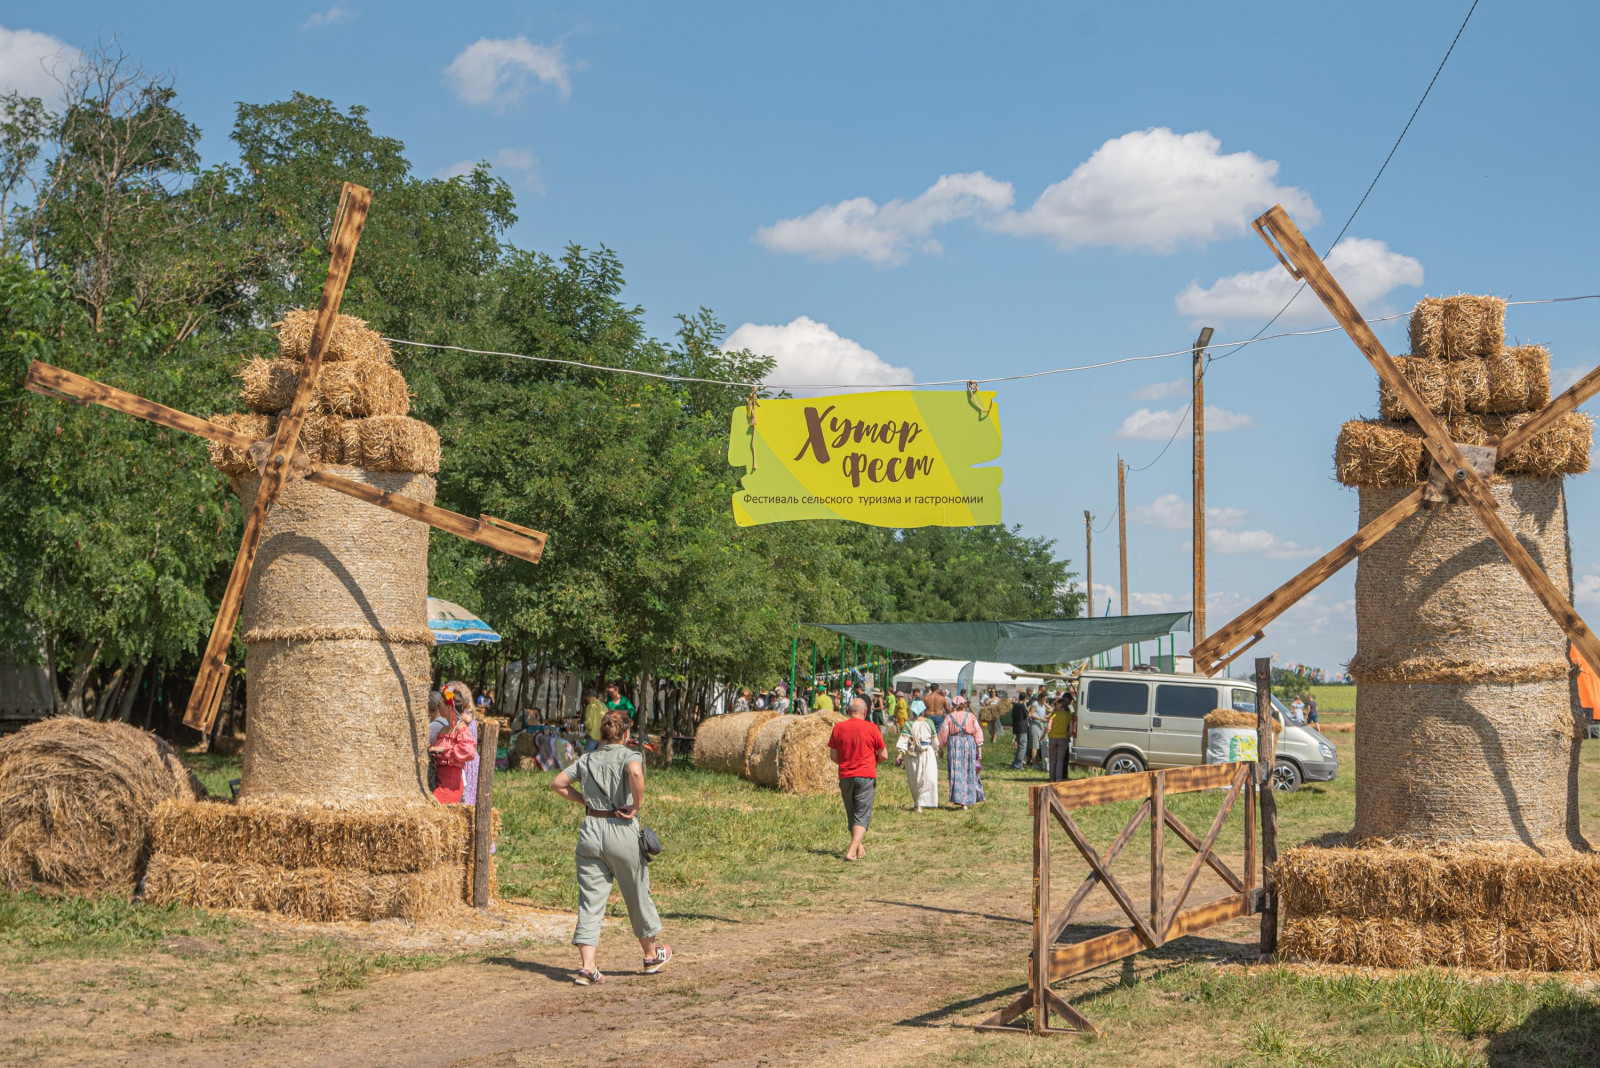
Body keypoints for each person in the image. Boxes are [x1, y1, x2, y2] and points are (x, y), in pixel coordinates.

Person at [551, 711, 672, 985]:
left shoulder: (588, 758)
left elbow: (558, 784)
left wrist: (586, 801)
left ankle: (587, 967)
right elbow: (635, 773)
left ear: (601, 735)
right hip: (621, 828)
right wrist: (636, 805)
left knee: (590, 901)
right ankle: (651, 956)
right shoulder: (630, 755)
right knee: (637, 893)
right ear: (627, 734)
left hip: (591, 830)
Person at [827, 696, 887, 861]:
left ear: (848, 711)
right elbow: (884, 755)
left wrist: (848, 762)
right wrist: (872, 761)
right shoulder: (872, 727)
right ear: (865, 711)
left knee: (852, 813)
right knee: (862, 814)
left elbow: (833, 756)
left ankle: (860, 849)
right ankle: (851, 851)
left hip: (845, 775)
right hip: (866, 775)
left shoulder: (839, 727)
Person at [939, 694, 985, 810]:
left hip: (955, 743)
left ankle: (960, 799)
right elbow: (978, 731)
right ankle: (968, 799)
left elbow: (943, 733)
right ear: (964, 705)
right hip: (969, 743)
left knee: (957, 770)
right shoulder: (971, 716)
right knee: (969, 769)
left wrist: (941, 748)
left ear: (954, 705)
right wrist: (979, 749)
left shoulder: (949, 717)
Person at [429, 696, 477, 803]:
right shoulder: (444, 729)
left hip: (450, 783)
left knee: (435, 806)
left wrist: (444, 750)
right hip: (438, 779)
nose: (437, 708)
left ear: (449, 707)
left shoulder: (460, 729)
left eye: (439, 705)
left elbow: (469, 752)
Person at [895, 698, 938, 811]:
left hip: (921, 753)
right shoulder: (912, 724)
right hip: (919, 753)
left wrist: (900, 754)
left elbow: (903, 742)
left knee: (922, 778)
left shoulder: (916, 723)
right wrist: (937, 750)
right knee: (922, 778)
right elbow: (935, 741)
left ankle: (920, 803)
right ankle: (919, 803)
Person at [1047, 692, 1075, 782]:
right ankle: (1059, 778)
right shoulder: (1068, 715)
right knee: (1060, 759)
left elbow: (1048, 726)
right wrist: (1068, 735)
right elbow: (1071, 729)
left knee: (1052, 758)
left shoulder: (1054, 713)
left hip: (1052, 737)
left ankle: (1052, 778)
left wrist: (1044, 735)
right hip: (1063, 738)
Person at [1027, 689, 1050, 771]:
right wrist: (1040, 718)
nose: (1045, 700)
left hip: (1040, 725)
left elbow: (1047, 712)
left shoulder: (1043, 705)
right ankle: (1034, 764)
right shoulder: (1035, 703)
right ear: (1040, 698)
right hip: (1035, 724)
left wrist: (1047, 717)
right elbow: (1030, 714)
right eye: (1044, 698)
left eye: (1046, 699)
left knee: (1039, 745)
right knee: (1034, 745)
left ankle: (1037, 762)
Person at [1009, 690, 1029, 769]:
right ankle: (1018, 765)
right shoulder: (1022, 706)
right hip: (1022, 728)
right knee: (1022, 747)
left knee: (1019, 746)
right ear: (1024, 699)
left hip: (1016, 728)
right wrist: (1026, 705)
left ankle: (1015, 763)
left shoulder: (1015, 705)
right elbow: (1028, 714)